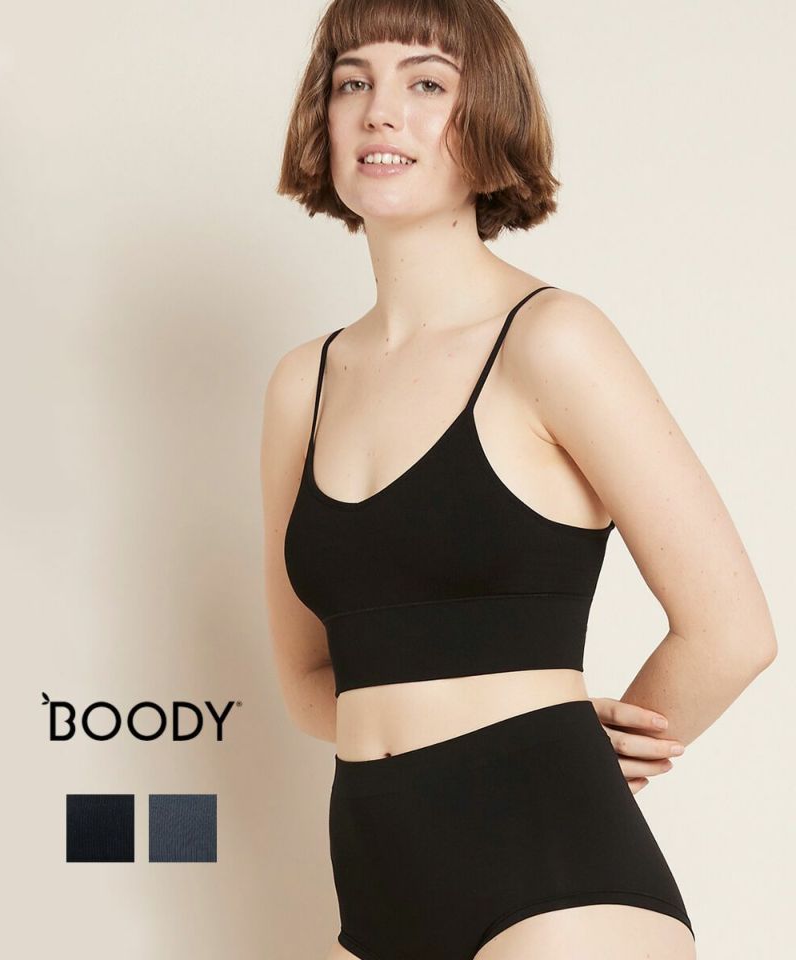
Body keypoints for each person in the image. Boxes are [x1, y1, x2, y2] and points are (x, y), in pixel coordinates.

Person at [262, 1, 777, 957]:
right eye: (352, 81)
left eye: (426, 82)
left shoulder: (553, 340)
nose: (380, 111)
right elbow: (304, 677)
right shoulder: (305, 384)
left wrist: (562, 753)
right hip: (375, 874)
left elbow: (732, 630)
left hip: (556, 877)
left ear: (488, 116)